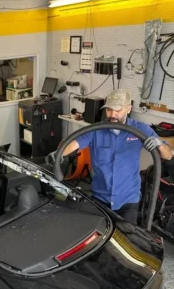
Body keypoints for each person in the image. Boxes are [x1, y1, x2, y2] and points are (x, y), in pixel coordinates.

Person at [46, 89, 173, 223]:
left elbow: (168, 156)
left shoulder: (140, 129)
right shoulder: (96, 130)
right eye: (109, 110)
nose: (112, 114)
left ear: (128, 109)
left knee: (127, 235)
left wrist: (159, 144)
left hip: (128, 200)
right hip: (100, 198)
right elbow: (74, 143)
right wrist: (59, 153)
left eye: (118, 110)